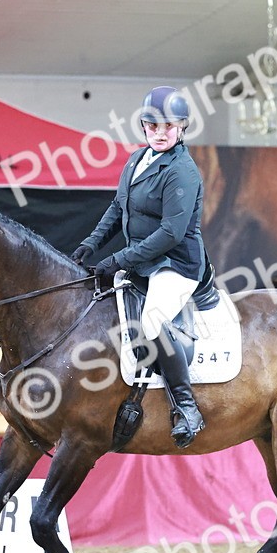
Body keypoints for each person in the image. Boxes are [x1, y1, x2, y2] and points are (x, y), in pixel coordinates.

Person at [71, 86, 208, 448]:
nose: (159, 132)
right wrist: (92, 243)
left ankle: (186, 406)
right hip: (142, 262)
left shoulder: (182, 171)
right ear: (144, 126)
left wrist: (117, 259)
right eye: (152, 125)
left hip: (175, 264)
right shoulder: (137, 160)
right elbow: (118, 208)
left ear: (181, 128)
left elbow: (170, 233)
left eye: (168, 126)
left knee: (151, 322)